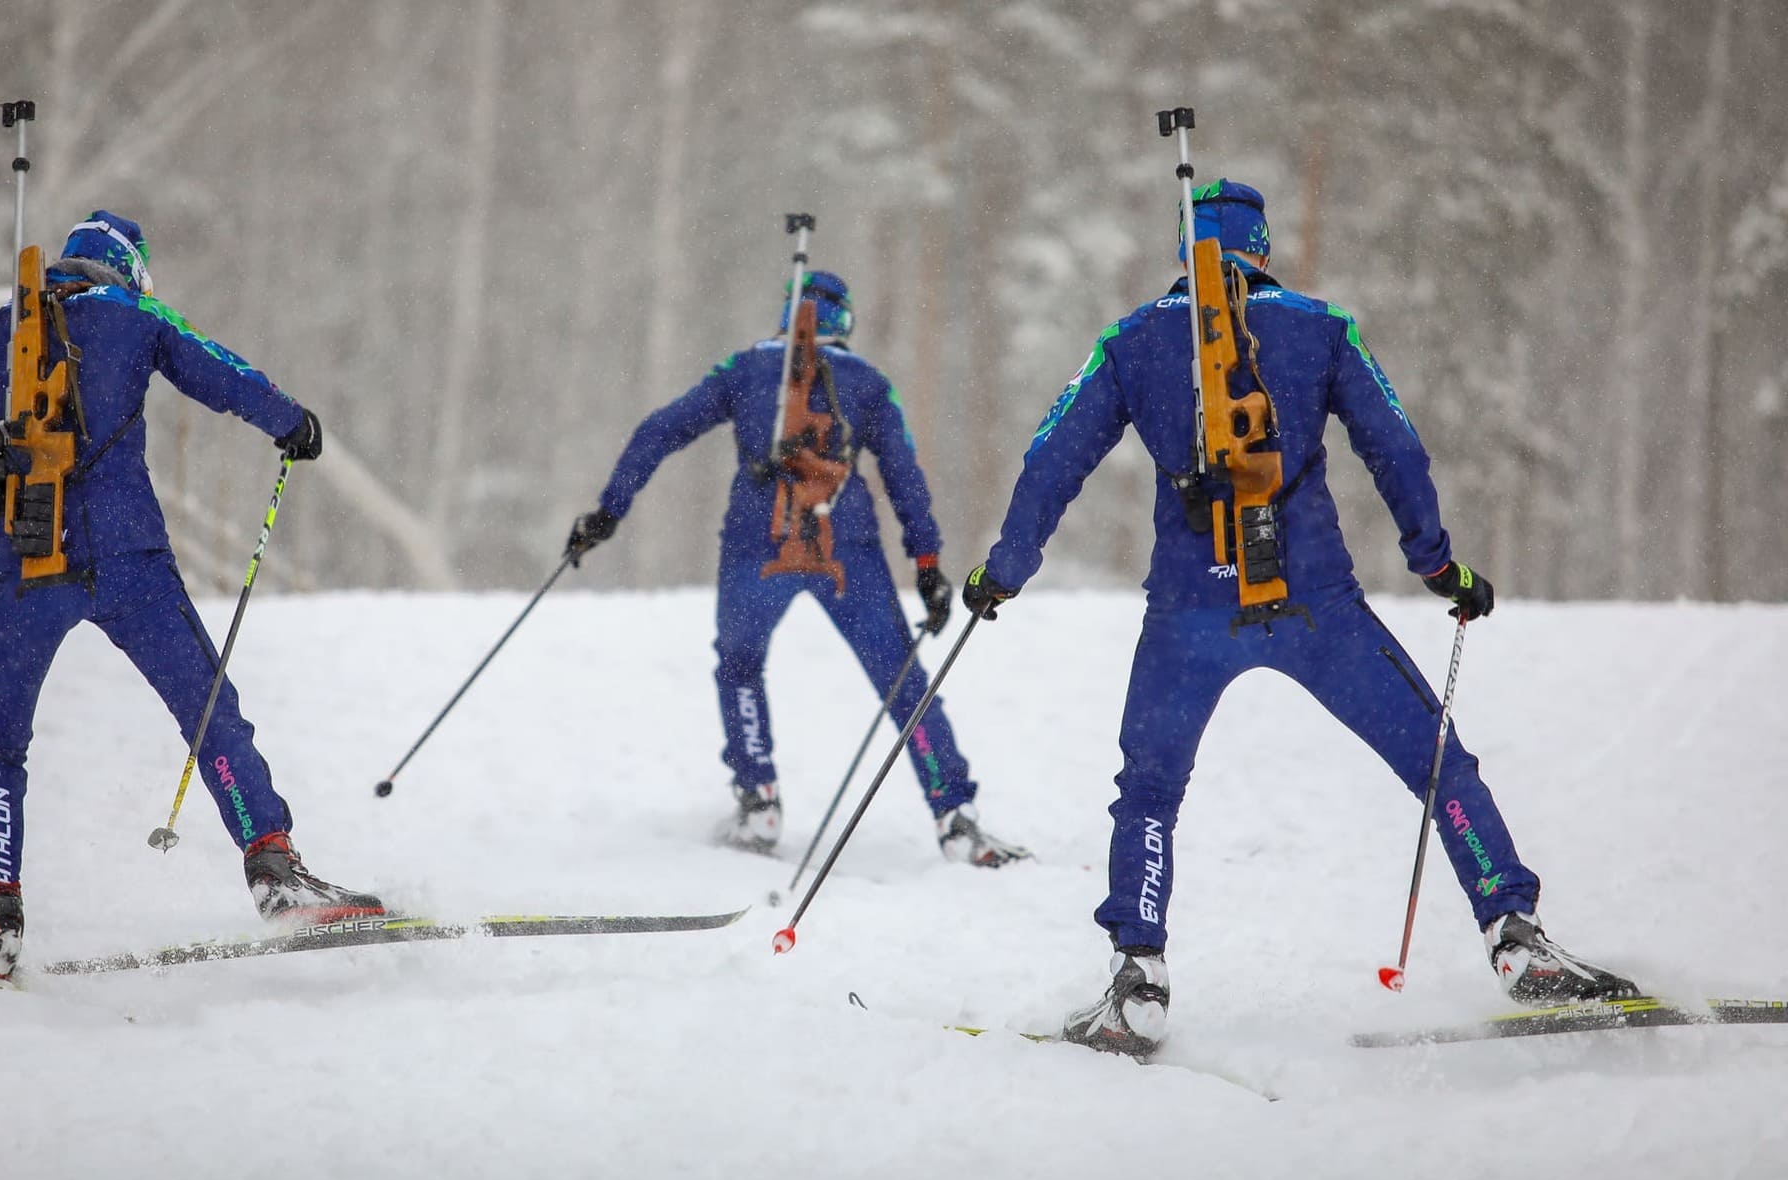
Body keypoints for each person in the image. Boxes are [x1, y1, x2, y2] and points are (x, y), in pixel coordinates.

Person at [961, 180, 1636, 1058]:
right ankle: (1516, 935)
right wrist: (1437, 562)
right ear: (1264, 249)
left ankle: (1139, 977)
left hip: (1189, 612)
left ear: (1184, 254)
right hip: (1315, 602)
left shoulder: (1129, 342)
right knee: (1436, 762)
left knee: (1151, 793)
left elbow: (1053, 454)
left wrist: (1005, 570)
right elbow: (1395, 443)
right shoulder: (1322, 328)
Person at [0, 210, 383, 982]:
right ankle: (274, 871)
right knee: (207, 708)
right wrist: (295, 424)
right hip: (129, 558)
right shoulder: (135, 316)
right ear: (131, 268)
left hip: (25, 564)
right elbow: (225, 375)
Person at [566, 270, 1027, 866]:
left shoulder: (742, 369)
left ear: (787, 314)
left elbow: (661, 430)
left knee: (739, 663)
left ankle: (758, 798)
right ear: (845, 323)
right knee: (901, 679)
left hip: (757, 542)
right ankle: (955, 817)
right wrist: (929, 562)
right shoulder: (868, 383)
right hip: (847, 547)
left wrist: (610, 510)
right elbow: (903, 474)